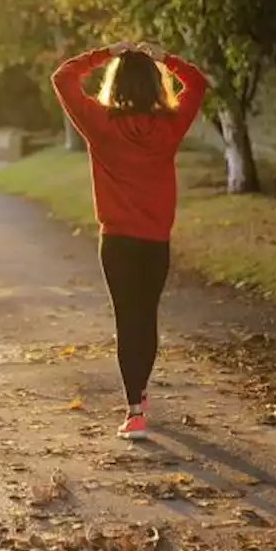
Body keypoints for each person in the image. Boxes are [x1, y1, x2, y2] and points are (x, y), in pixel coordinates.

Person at [51, 40, 209, 440]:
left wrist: (106, 52)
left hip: (117, 241)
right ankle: (140, 390)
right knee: (146, 317)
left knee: (127, 319)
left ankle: (134, 409)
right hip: (155, 241)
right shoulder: (170, 126)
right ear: (156, 85)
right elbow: (197, 82)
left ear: (115, 83)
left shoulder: (99, 124)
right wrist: (164, 58)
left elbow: (63, 77)